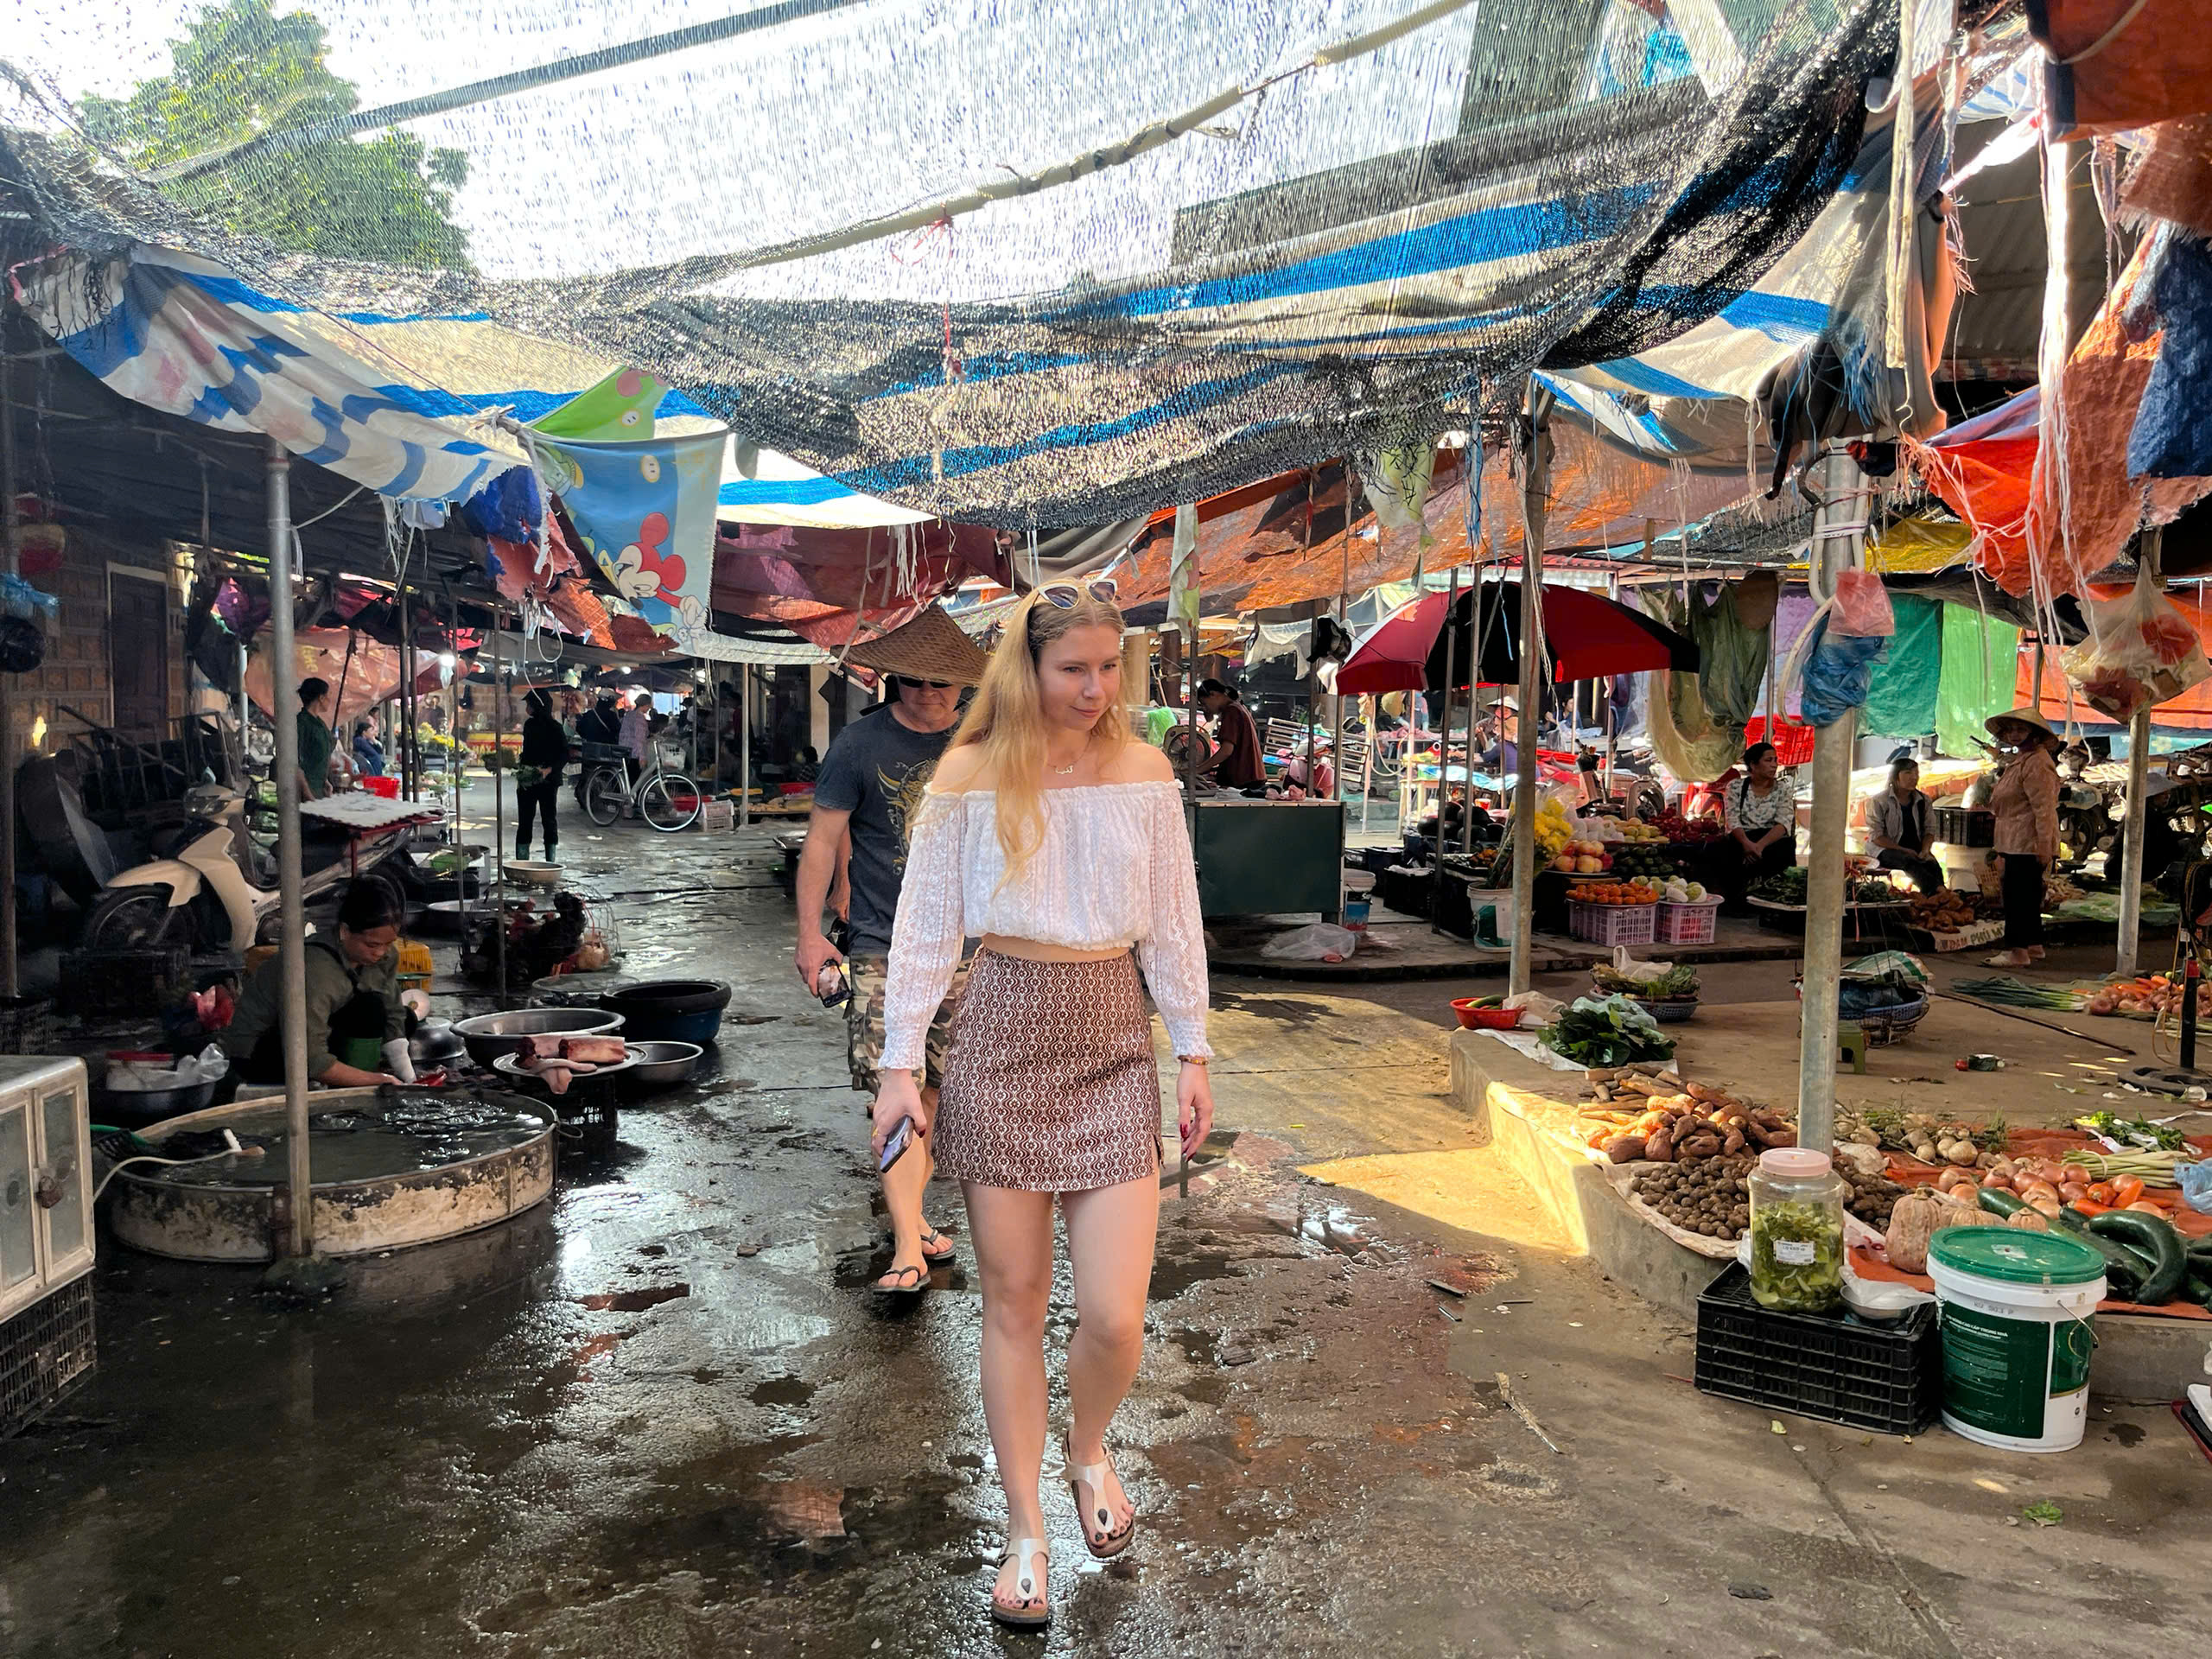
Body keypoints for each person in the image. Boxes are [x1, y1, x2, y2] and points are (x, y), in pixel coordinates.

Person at [875, 582, 1213, 1628]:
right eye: (1074, 669)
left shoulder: (1144, 772)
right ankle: (1024, 1529)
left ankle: (1089, 1449)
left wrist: (1193, 1048)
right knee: (1013, 1304)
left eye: (1109, 667)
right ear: (1024, 669)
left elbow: (1174, 921)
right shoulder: (968, 775)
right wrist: (898, 1064)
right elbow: (924, 930)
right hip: (1002, 1033)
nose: (1096, 688)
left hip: (1112, 1035)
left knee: (1113, 1314)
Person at [793, 672, 975, 1296]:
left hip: (971, 948)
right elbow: (821, 839)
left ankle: (913, 1217)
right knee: (892, 1094)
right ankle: (905, 1245)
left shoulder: (985, 739)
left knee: (939, 1095)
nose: (928, 692)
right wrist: (810, 934)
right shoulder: (859, 744)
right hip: (882, 946)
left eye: (942, 681)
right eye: (914, 681)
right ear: (896, 680)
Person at [219, 880, 410, 1090]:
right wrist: (376, 1080)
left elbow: (393, 1012)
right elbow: (310, 1058)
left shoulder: (384, 957)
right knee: (369, 1011)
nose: (380, 952)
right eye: (372, 945)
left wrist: (406, 1071)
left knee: (399, 1016)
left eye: (388, 944)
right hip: (261, 1050)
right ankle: (351, 1083)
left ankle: (354, 1074)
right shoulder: (315, 969)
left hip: (320, 1029)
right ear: (345, 931)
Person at [1984, 708, 2060, 969]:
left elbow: (2044, 807)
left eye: (2021, 729)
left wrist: (2044, 843)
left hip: (2027, 841)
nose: (2015, 734)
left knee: (2017, 897)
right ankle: (2033, 945)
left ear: (2034, 734)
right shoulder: (2024, 759)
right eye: (2011, 730)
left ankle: (2017, 951)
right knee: (2028, 895)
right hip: (2016, 839)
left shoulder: (2037, 763)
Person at [1721, 741, 1796, 911]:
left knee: (1785, 848)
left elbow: (1783, 823)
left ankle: (1777, 901)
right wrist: (1747, 844)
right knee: (1727, 849)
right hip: (1743, 837)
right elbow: (1732, 820)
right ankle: (1735, 902)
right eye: (1768, 760)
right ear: (1753, 765)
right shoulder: (1736, 787)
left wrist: (1759, 847)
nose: (1774, 765)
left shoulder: (1783, 789)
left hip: (1770, 839)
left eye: (1775, 760)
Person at [1866, 755, 1943, 893]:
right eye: (1908, 773)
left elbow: (1930, 830)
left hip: (1914, 849)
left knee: (1933, 865)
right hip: (1884, 850)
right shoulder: (1879, 801)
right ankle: (1938, 893)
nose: (1914, 777)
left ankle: (1938, 896)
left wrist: (1925, 850)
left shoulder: (1924, 800)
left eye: (1916, 773)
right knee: (1909, 861)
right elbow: (1876, 837)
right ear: (1895, 777)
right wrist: (1903, 850)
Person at [515, 689, 567, 862]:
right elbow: (528, 752)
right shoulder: (530, 725)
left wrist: (548, 770)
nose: (527, 708)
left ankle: (550, 862)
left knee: (548, 820)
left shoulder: (555, 728)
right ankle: (523, 862)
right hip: (529, 780)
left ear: (538, 705)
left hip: (548, 782)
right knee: (526, 821)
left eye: (529, 704)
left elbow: (564, 755)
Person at [1196, 677, 1263, 789]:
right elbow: (1209, 719)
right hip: (1251, 776)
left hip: (1244, 778)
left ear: (1213, 694)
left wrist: (1199, 769)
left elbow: (1226, 751)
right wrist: (1208, 710)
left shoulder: (1231, 711)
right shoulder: (1239, 706)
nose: (1205, 708)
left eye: (1204, 703)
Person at [295, 677, 340, 800]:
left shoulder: (319, 723)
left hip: (319, 788)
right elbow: (296, 763)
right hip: (305, 791)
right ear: (321, 698)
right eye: (328, 696)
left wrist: (325, 780)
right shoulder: (302, 723)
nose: (329, 700)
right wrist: (307, 794)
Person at [618, 695, 652, 782]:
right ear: (646, 705)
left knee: (626, 779)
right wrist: (642, 757)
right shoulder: (639, 718)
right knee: (633, 781)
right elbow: (640, 739)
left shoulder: (629, 714)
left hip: (624, 750)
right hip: (634, 753)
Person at [352, 714, 386, 779]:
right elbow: (373, 753)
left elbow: (380, 751)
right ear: (364, 732)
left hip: (366, 761)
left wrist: (374, 740)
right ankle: (377, 778)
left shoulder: (366, 740)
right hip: (363, 763)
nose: (373, 733)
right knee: (376, 758)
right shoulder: (360, 740)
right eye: (371, 731)